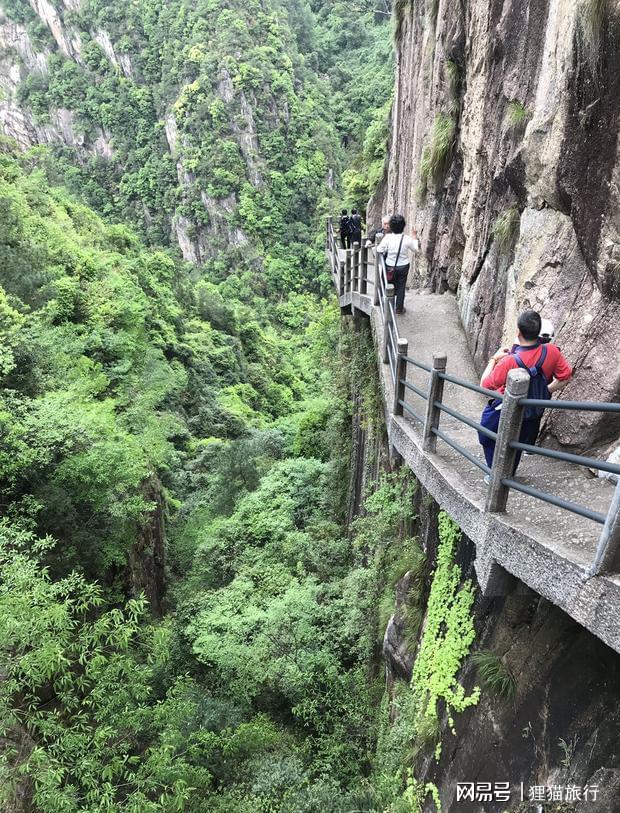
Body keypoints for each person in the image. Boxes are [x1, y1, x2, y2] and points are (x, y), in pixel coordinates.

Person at [478, 310, 573, 476]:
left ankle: (496, 474)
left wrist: (494, 359)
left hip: (504, 406)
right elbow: (565, 377)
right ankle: (509, 473)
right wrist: (545, 391)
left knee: (485, 436)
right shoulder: (551, 351)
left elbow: (484, 385)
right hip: (532, 409)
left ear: (518, 332)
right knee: (517, 442)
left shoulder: (509, 361)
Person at [376, 213, 419, 314]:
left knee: (388, 284)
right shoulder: (407, 239)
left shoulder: (387, 238)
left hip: (390, 266)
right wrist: (414, 236)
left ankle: (386, 306)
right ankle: (399, 308)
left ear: (391, 226)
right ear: (403, 226)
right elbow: (416, 249)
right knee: (401, 286)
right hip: (403, 266)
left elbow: (379, 249)